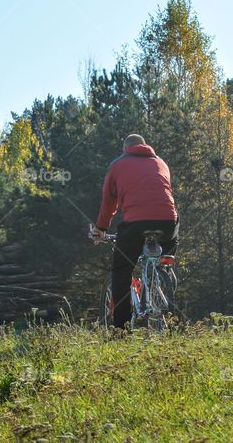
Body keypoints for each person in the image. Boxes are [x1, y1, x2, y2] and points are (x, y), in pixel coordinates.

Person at [90, 134, 178, 328]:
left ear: (125, 149)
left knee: (122, 271)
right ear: (145, 146)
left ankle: (120, 330)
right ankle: (163, 272)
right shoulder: (161, 163)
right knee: (166, 254)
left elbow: (108, 203)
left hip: (135, 224)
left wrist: (101, 228)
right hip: (168, 223)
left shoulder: (118, 165)